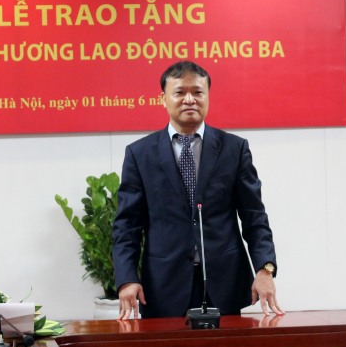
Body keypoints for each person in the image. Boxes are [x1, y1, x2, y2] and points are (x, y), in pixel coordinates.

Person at [112, 60, 284, 319]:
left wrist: (265, 268)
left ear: (208, 97)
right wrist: (126, 279)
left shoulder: (234, 149)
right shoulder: (140, 154)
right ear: (163, 99)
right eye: (180, 92)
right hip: (163, 286)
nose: (189, 99)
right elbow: (127, 225)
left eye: (197, 92)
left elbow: (254, 217)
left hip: (223, 284)